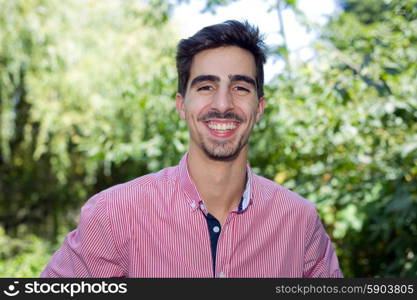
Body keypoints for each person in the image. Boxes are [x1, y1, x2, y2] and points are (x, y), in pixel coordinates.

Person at [41, 20, 342, 278]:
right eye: (205, 87)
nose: (223, 104)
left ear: (259, 107)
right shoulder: (115, 214)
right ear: (182, 105)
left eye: (240, 88)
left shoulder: (300, 222)